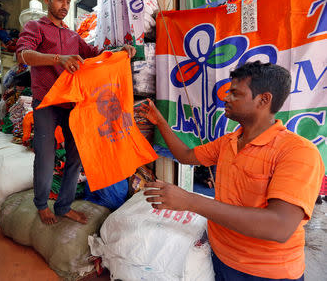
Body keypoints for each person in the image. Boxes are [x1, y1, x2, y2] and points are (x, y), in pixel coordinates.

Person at [138, 61, 324, 281]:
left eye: (235, 93)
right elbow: (186, 155)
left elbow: (279, 226)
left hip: (266, 272)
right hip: (221, 258)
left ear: (263, 100)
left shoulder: (298, 152)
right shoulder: (229, 141)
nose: (226, 98)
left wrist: (189, 201)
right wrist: (159, 121)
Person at [16, 0, 136, 225]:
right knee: (46, 157)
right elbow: (24, 55)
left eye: (68, 1)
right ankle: (41, 205)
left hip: (73, 105)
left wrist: (120, 52)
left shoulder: (73, 36)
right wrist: (57, 58)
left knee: (75, 157)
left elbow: (94, 55)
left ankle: (63, 206)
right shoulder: (35, 28)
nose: (64, 5)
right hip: (47, 102)